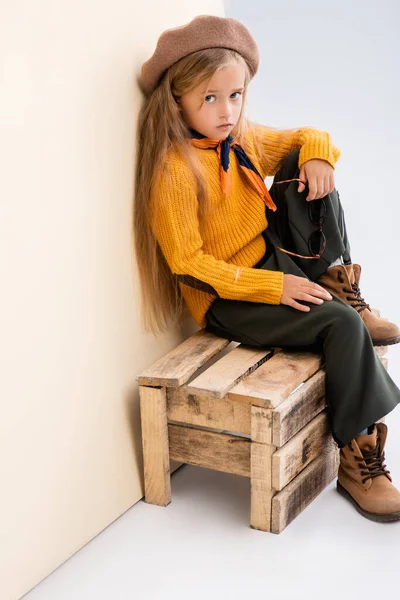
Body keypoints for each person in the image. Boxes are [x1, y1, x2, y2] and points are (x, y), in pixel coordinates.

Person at [134, 14, 400, 522]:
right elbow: (187, 262)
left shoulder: (241, 139)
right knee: (341, 327)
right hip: (229, 298)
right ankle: (359, 456)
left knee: (306, 164)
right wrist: (272, 287)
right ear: (178, 101)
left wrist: (318, 156)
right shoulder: (174, 170)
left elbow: (305, 135)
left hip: (270, 260)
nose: (227, 110)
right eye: (210, 98)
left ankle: (337, 282)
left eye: (235, 95)